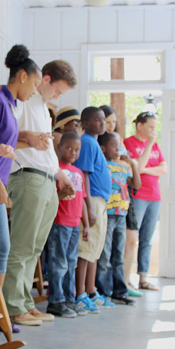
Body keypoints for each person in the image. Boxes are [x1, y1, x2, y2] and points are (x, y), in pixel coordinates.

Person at [0, 44, 44, 328]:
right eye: (35, 83)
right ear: (23, 76)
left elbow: (4, 145)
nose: (35, 90)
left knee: (2, 248)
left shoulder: (11, 105)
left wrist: (29, 140)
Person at [3, 60, 78, 326]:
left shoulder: (44, 109)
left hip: (47, 180)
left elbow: (46, 150)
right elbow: (7, 133)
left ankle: (25, 302)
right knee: (22, 246)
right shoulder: (23, 100)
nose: (58, 96)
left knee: (35, 248)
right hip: (28, 177)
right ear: (45, 79)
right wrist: (28, 135)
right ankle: (13, 306)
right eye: (58, 90)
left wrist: (61, 176)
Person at [45, 131, 88, 318]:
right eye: (69, 148)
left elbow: (83, 199)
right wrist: (60, 195)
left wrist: (85, 224)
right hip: (59, 223)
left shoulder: (78, 172)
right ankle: (56, 301)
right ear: (59, 147)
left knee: (71, 263)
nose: (73, 152)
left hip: (74, 224)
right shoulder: (56, 169)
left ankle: (69, 299)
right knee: (58, 262)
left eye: (76, 149)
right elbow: (50, 197)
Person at [73, 106, 112, 312]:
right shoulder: (87, 142)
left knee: (94, 250)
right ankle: (79, 293)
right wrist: (88, 208)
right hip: (93, 201)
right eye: (97, 120)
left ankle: (90, 290)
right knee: (86, 249)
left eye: (103, 120)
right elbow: (84, 175)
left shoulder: (94, 143)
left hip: (101, 201)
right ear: (86, 124)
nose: (102, 123)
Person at [95, 132, 141, 305]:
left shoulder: (122, 168)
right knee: (105, 254)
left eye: (118, 146)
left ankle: (119, 291)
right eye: (113, 146)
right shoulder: (103, 166)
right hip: (107, 213)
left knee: (118, 255)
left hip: (121, 215)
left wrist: (132, 164)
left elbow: (136, 184)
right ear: (103, 148)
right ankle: (103, 292)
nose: (117, 149)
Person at [124, 111, 167, 291]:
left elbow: (164, 169)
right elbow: (137, 168)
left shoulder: (156, 146)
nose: (153, 131)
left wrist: (146, 170)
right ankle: (127, 278)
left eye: (154, 127)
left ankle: (143, 278)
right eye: (150, 126)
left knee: (147, 239)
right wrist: (149, 145)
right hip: (138, 195)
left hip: (154, 196)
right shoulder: (129, 143)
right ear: (139, 125)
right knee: (132, 239)